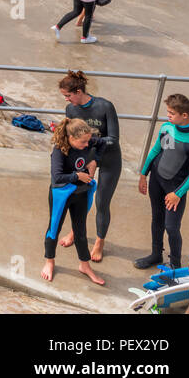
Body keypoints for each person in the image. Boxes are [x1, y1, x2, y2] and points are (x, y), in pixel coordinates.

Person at [134, 93, 189, 270]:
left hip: (175, 188)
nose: (168, 116)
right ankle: (155, 255)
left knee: (172, 226)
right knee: (157, 219)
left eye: (171, 113)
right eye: (167, 112)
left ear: (185, 115)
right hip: (156, 180)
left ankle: (175, 264)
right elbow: (156, 151)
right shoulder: (167, 128)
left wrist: (178, 194)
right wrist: (143, 175)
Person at [59, 71, 121, 262]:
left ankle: (99, 242)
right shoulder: (71, 110)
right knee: (80, 199)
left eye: (68, 95)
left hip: (109, 159)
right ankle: (75, 232)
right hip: (87, 160)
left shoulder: (104, 106)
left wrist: (89, 142)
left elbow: (113, 139)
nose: (67, 100)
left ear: (79, 91)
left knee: (102, 202)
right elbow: (71, 137)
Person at [41, 118, 104, 285]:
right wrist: (77, 175)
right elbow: (57, 176)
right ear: (71, 138)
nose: (86, 145)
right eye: (83, 142)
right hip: (61, 194)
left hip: (81, 193)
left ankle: (84, 265)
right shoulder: (59, 151)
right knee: (54, 228)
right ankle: (49, 261)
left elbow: (104, 144)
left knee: (80, 231)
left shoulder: (87, 141)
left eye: (88, 141)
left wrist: (94, 161)